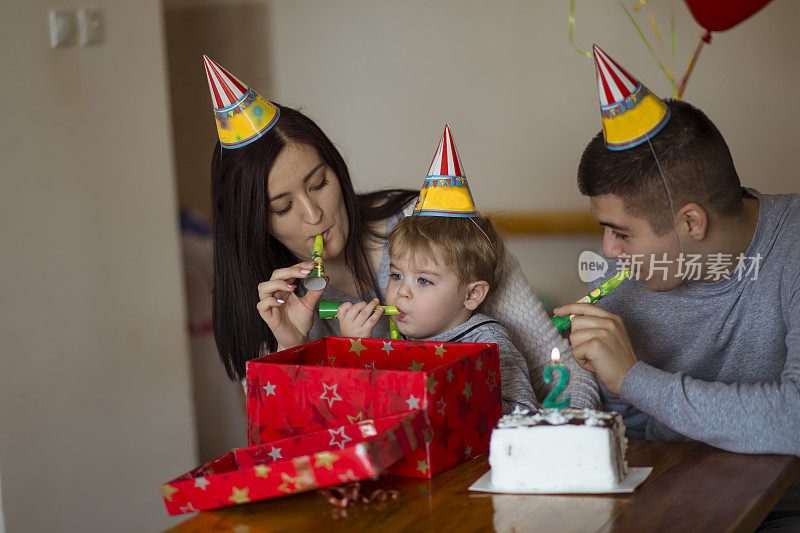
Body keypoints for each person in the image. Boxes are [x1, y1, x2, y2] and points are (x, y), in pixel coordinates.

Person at [202, 56, 598, 408]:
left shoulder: (431, 227)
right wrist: (293, 347)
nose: (313, 214)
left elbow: (555, 365)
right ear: (253, 223)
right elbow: (291, 435)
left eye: (319, 183)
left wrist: (573, 449)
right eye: (283, 207)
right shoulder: (263, 302)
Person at [555, 46, 800, 456]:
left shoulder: (791, 246)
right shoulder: (618, 283)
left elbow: (793, 421)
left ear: (691, 223)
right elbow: (627, 437)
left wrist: (633, 378)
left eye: (622, 233)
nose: (608, 252)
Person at [335, 130, 538, 413]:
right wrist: (357, 350)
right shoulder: (395, 340)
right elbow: (369, 406)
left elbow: (523, 410)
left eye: (423, 280)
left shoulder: (486, 344)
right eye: (396, 275)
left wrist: (455, 403)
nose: (402, 292)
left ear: (472, 295)